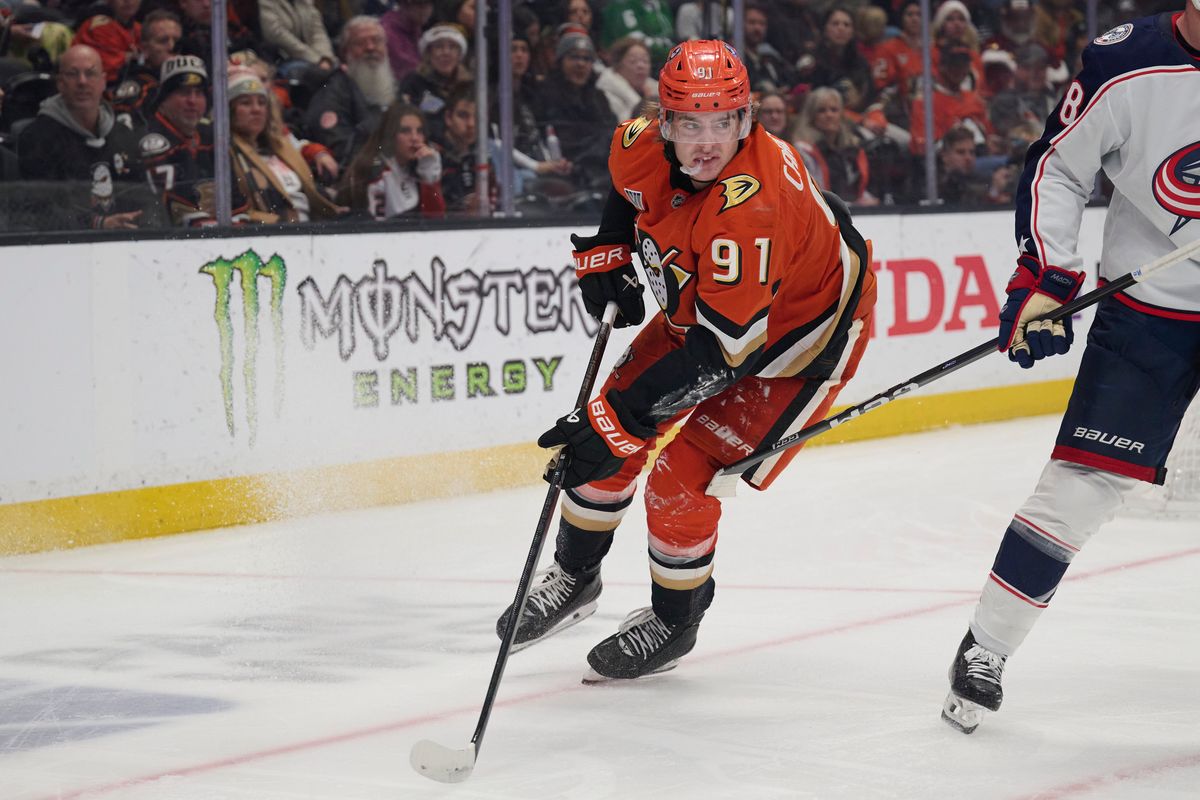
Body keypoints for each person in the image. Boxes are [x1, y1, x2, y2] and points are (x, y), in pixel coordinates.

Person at [496, 40, 876, 681]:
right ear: (664, 122)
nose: (707, 142)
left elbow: (725, 354)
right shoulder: (640, 140)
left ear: (747, 120)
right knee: (605, 432)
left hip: (799, 345)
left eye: (722, 122)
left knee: (676, 476)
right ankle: (575, 576)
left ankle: (676, 620)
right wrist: (610, 248)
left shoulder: (752, 208)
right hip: (708, 316)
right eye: (691, 124)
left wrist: (619, 421)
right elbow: (627, 186)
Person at [941, 3, 1200, 735]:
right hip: (1151, 309)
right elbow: (1058, 167)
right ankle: (986, 647)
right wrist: (1049, 275)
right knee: (1080, 485)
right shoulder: (1127, 61)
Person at [18, 44, 152, 229]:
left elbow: (144, 197)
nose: (82, 82)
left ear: (103, 81)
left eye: (90, 73)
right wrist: (99, 224)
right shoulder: (36, 137)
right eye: (72, 74)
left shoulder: (123, 135)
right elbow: (42, 210)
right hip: (67, 242)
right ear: (60, 83)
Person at [140, 54, 247, 225]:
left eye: (198, 93)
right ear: (164, 99)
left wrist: (238, 226)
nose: (192, 101)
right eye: (184, 93)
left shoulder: (211, 137)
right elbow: (170, 206)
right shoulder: (151, 141)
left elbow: (236, 202)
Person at [227, 68, 343, 223]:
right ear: (229, 110)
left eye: (262, 103)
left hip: (310, 226)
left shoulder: (281, 144)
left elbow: (313, 197)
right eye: (245, 103)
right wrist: (279, 223)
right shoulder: (226, 153)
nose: (256, 109)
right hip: (275, 230)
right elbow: (235, 213)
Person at [304, 16, 392, 168]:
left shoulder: (394, 86)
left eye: (376, 41)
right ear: (345, 53)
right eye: (360, 43)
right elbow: (342, 149)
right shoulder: (333, 92)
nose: (370, 47)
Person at [338, 101, 446, 219]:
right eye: (405, 131)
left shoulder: (417, 166)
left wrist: (429, 178)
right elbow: (380, 224)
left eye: (419, 131)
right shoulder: (376, 171)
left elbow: (436, 220)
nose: (415, 138)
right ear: (390, 135)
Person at [110, 9, 181, 131]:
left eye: (177, 41)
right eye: (163, 41)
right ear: (144, 48)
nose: (172, 47)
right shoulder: (135, 88)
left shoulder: (187, 84)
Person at [72, 0, 142, 84]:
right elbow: (101, 65)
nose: (128, 1)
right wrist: (128, 58)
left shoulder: (139, 28)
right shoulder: (98, 26)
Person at [595, 36, 656, 122]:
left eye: (645, 61)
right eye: (633, 61)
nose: (641, 66)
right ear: (618, 66)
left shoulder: (656, 89)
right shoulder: (605, 94)